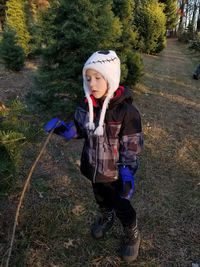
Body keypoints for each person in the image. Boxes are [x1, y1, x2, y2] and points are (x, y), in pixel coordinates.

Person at [44, 50, 143, 263]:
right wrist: (66, 130)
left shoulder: (127, 112)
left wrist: (127, 171)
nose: (92, 83)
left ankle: (131, 231)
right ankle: (106, 217)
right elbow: (81, 129)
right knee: (100, 198)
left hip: (116, 174)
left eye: (98, 77)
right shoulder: (85, 105)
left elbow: (131, 145)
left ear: (111, 78)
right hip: (93, 168)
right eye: (88, 78)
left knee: (122, 205)